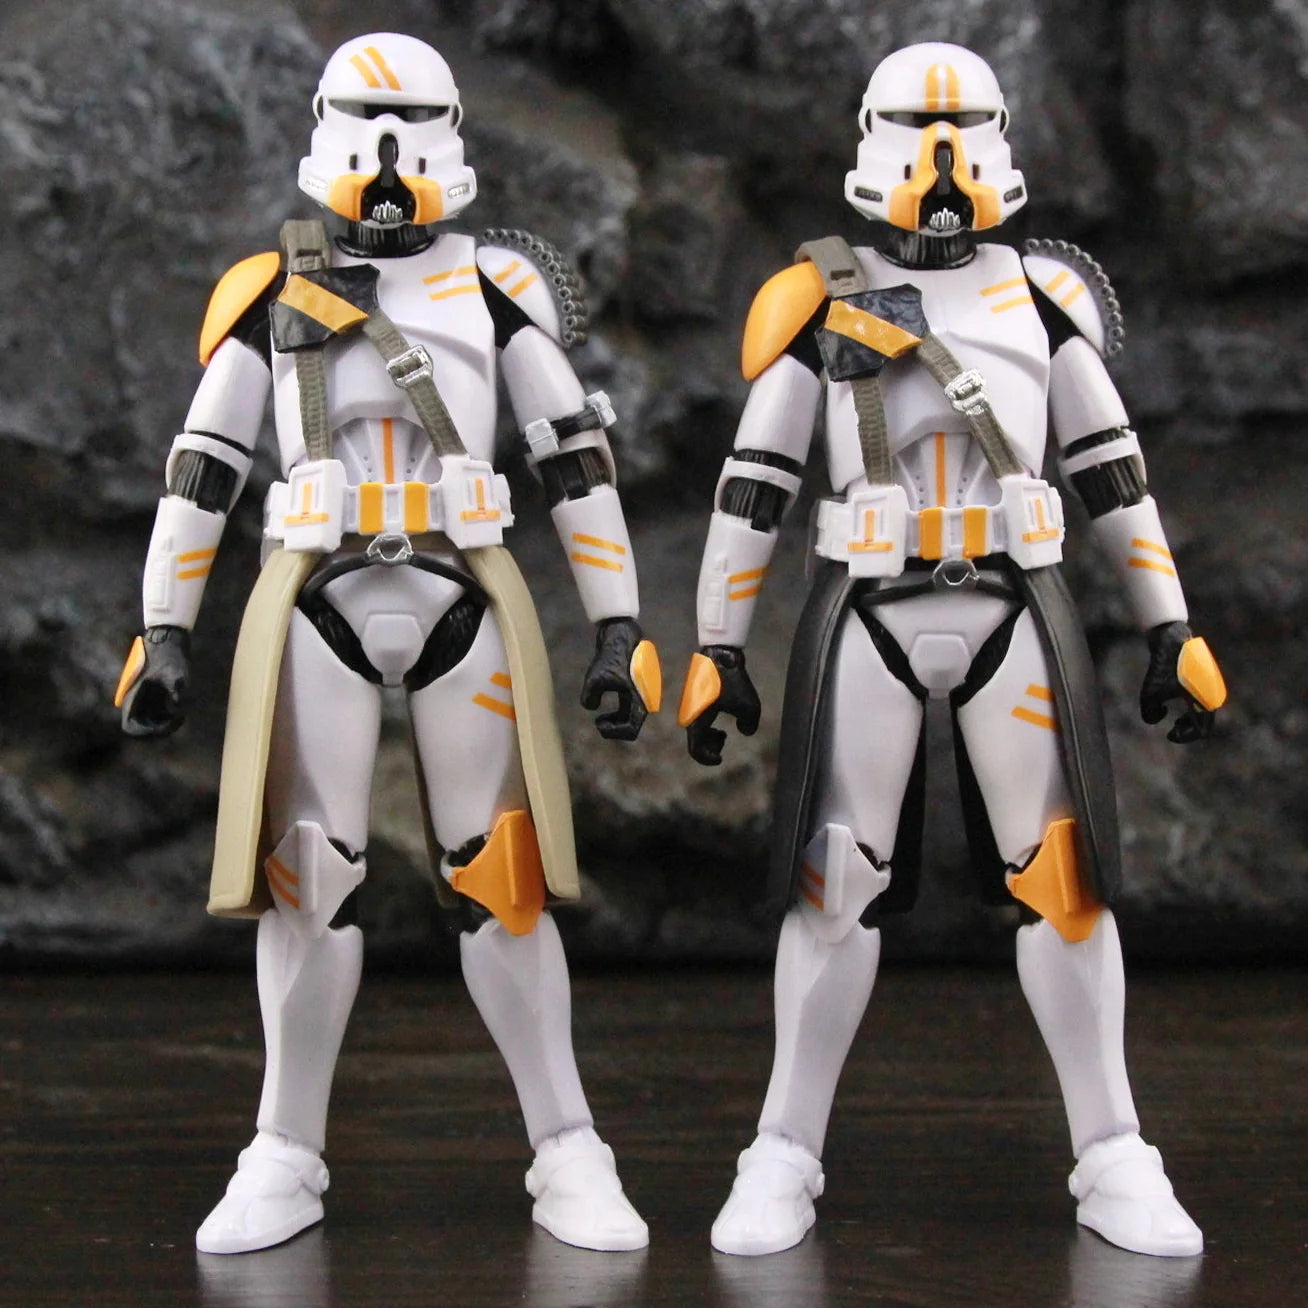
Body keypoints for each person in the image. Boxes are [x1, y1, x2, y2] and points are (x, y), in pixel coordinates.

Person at [678, 41, 1224, 1259]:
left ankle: (1113, 1148)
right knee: (833, 880)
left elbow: (1113, 474)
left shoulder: (1046, 297)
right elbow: (754, 485)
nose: (939, 162)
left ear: (999, 140)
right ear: (872, 142)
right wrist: (717, 643)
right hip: (868, 609)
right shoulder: (814, 298)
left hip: (1013, 610)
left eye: (963, 131)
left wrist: (1170, 624)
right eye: (919, 133)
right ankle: (783, 1148)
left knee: (1065, 879)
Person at [116, 32, 659, 1255]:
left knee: (505, 876)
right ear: (324, 131)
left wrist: (618, 622)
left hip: (464, 589)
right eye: (368, 122)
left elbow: (575, 462)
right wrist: (162, 628)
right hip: (319, 595)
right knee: (306, 876)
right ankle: (284, 1148)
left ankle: (567, 1144)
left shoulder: (497, 288)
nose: (391, 153)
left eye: (414, 122)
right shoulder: (273, 292)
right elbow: (202, 472)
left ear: (453, 134)